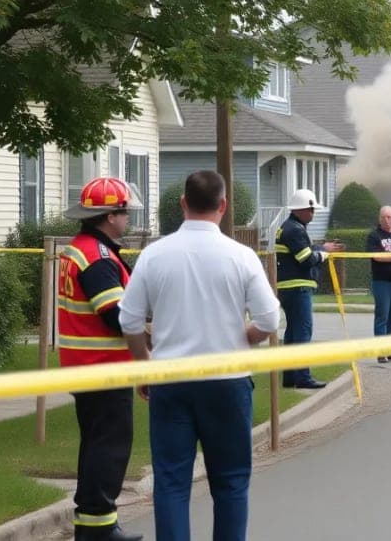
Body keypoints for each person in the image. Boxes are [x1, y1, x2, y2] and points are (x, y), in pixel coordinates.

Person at [119, 170, 280, 541]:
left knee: (172, 482)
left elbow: (129, 319)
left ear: (182, 203)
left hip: (171, 381)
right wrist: (248, 336)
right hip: (227, 381)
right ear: (223, 205)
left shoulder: (154, 255)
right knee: (231, 482)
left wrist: (144, 368)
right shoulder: (241, 256)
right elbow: (270, 317)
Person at [58, 177, 144, 541]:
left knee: (95, 445)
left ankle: (96, 524)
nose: (128, 221)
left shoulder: (82, 248)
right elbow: (115, 314)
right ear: (110, 215)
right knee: (108, 448)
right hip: (103, 367)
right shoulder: (98, 258)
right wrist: (152, 328)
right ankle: (98, 527)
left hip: (87, 366)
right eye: (125, 214)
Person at [275, 188, 344, 389]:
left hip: (288, 288)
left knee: (292, 333)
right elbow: (307, 259)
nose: (313, 214)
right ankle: (303, 377)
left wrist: (321, 247)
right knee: (303, 332)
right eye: (310, 210)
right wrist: (325, 253)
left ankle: (289, 377)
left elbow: (305, 251)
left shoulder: (289, 227)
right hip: (298, 287)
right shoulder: (295, 230)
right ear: (300, 209)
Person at [367, 205, 391, 363]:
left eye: (389, 217)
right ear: (379, 219)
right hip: (381, 282)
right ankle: (381, 351)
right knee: (382, 316)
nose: (386, 220)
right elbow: (376, 256)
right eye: (383, 217)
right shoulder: (374, 236)